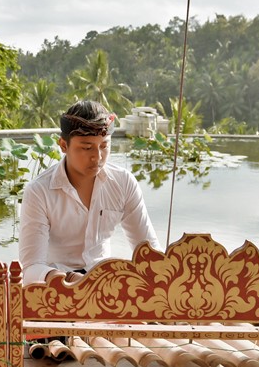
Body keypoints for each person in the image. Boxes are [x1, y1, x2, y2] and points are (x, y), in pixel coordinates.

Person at [18, 100, 161, 285]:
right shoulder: (39, 192)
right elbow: (31, 268)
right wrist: (70, 279)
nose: (97, 157)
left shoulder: (123, 183)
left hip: (104, 284)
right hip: (54, 286)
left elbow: (148, 250)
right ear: (63, 145)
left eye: (104, 146)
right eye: (86, 147)